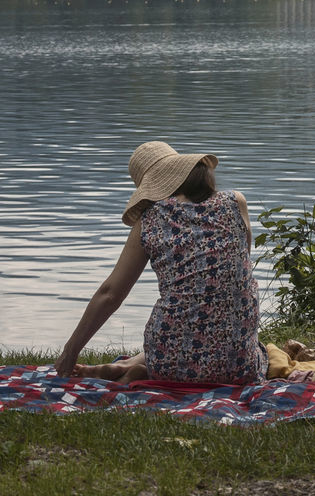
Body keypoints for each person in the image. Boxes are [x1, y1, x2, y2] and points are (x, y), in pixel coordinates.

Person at [54, 141, 268, 385]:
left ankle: (135, 366)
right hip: (238, 367)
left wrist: (70, 351)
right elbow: (239, 271)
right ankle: (131, 365)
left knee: (182, 331)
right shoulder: (235, 202)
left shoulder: (150, 221)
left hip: (168, 363)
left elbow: (110, 293)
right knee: (256, 348)